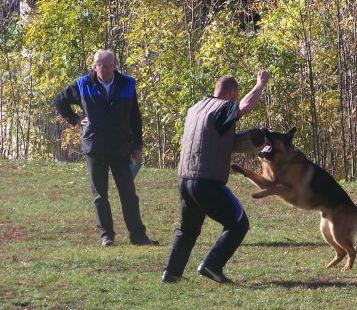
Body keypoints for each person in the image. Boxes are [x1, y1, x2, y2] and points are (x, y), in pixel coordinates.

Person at [162, 71, 271, 284]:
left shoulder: (196, 109)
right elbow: (244, 107)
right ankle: (211, 265)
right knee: (238, 223)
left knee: (188, 229)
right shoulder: (224, 107)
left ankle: (171, 272)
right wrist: (260, 84)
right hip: (206, 181)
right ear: (231, 92)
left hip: (185, 179)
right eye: (236, 94)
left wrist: (252, 141)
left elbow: (215, 140)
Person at [52, 49, 157, 247]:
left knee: (128, 193)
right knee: (100, 195)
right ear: (95, 66)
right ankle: (107, 236)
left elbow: (135, 117)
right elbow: (59, 101)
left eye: (111, 66)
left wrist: (137, 145)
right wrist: (75, 120)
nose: (108, 70)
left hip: (121, 147)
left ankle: (138, 235)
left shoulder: (127, 84)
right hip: (95, 147)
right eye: (104, 66)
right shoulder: (82, 84)